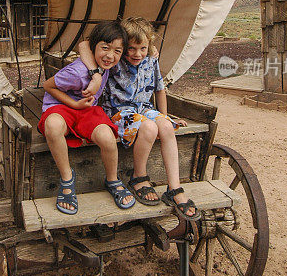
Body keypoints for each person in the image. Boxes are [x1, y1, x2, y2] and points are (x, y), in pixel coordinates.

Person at [79, 17, 199, 219]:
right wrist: (96, 74)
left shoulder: (151, 60)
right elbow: (84, 44)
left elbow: (160, 89)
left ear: (149, 46)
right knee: (150, 128)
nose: (137, 54)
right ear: (124, 46)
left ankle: (175, 188)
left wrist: (166, 116)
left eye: (143, 48)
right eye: (132, 49)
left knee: (166, 127)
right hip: (118, 112)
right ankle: (139, 177)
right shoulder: (114, 60)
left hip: (144, 108)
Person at [38, 21, 135, 215]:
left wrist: (98, 76)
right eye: (105, 48)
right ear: (95, 47)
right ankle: (67, 178)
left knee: (108, 138)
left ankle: (112, 179)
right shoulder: (76, 73)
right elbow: (48, 86)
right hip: (61, 107)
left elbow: (85, 44)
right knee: (53, 126)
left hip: (88, 110)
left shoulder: (105, 63)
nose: (110, 55)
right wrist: (74, 104)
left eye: (117, 51)